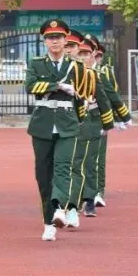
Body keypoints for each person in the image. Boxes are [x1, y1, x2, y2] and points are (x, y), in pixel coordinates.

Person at [23, 19, 86, 241]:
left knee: (63, 166)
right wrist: (57, 86)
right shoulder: (37, 63)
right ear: (45, 42)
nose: (55, 41)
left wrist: (79, 120)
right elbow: (30, 86)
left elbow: (82, 97)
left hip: (67, 123)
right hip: (42, 124)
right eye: (50, 38)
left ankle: (59, 206)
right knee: (43, 174)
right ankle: (48, 221)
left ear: (65, 39)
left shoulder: (76, 67)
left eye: (58, 37)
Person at [72, 34, 114, 218]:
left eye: (86, 53)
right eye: (79, 52)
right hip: (72, 120)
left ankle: (91, 197)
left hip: (93, 119)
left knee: (93, 160)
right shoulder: (69, 72)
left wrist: (111, 121)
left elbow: (110, 97)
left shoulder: (100, 75)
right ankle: (73, 199)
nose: (83, 57)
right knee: (72, 162)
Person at [90, 37, 131, 208]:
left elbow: (112, 95)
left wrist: (118, 118)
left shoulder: (104, 72)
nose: (96, 59)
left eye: (98, 55)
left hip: (100, 116)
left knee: (98, 156)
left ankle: (98, 191)